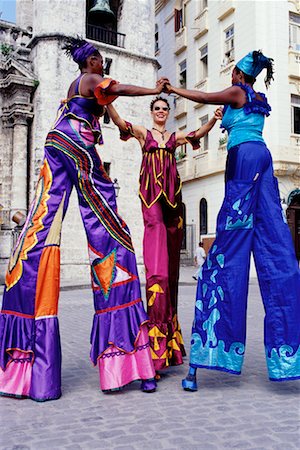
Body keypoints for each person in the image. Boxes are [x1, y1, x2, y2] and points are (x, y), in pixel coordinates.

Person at [0, 37, 168, 401]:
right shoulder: (91, 80)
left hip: (56, 143)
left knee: (39, 225)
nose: (103, 66)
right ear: (89, 61)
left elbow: (108, 106)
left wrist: (122, 124)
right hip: (78, 147)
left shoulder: (76, 90)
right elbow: (115, 89)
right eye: (100, 61)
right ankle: (126, 358)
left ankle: (23, 362)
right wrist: (152, 88)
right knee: (115, 237)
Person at [163, 50, 300, 390]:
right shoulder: (255, 100)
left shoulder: (238, 92)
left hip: (245, 162)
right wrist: (213, 121)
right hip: (260, 163)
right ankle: (288, 357)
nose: (230, 77)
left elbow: (205, 96)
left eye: (233, 72)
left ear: (240, 75)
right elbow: (215, 122)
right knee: (278, 254)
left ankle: (206, 355)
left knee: (225, 256)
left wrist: (175, 91)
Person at [106, 98, 222, 377]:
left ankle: (169, 347)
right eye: (157, 109)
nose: (160, 112)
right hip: (152, 200)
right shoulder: (144, 134)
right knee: (157, 273)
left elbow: (196, 134)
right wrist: (108, 102)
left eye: (164, 109)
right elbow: (122, 123)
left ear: (168, 114)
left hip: (173, 202)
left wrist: (215, 119)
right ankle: (154, 353)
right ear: (152, 112)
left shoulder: (173, 137)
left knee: (169, 275)